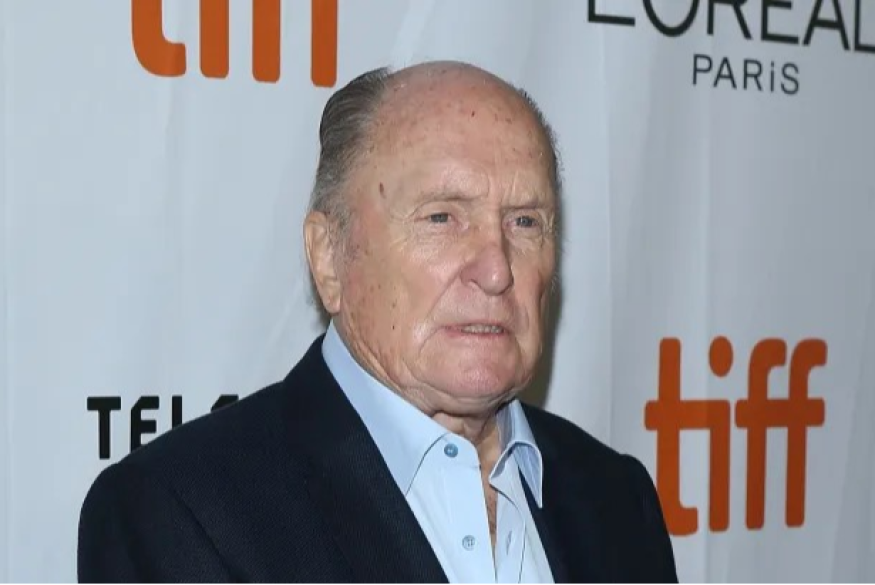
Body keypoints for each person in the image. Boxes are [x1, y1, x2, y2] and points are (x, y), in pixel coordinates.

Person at [77, 60, 678, 584]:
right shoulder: (179, 514)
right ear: (329, 256)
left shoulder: (615, 499)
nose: (497, 269)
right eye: (442, 218)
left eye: (525, 222)